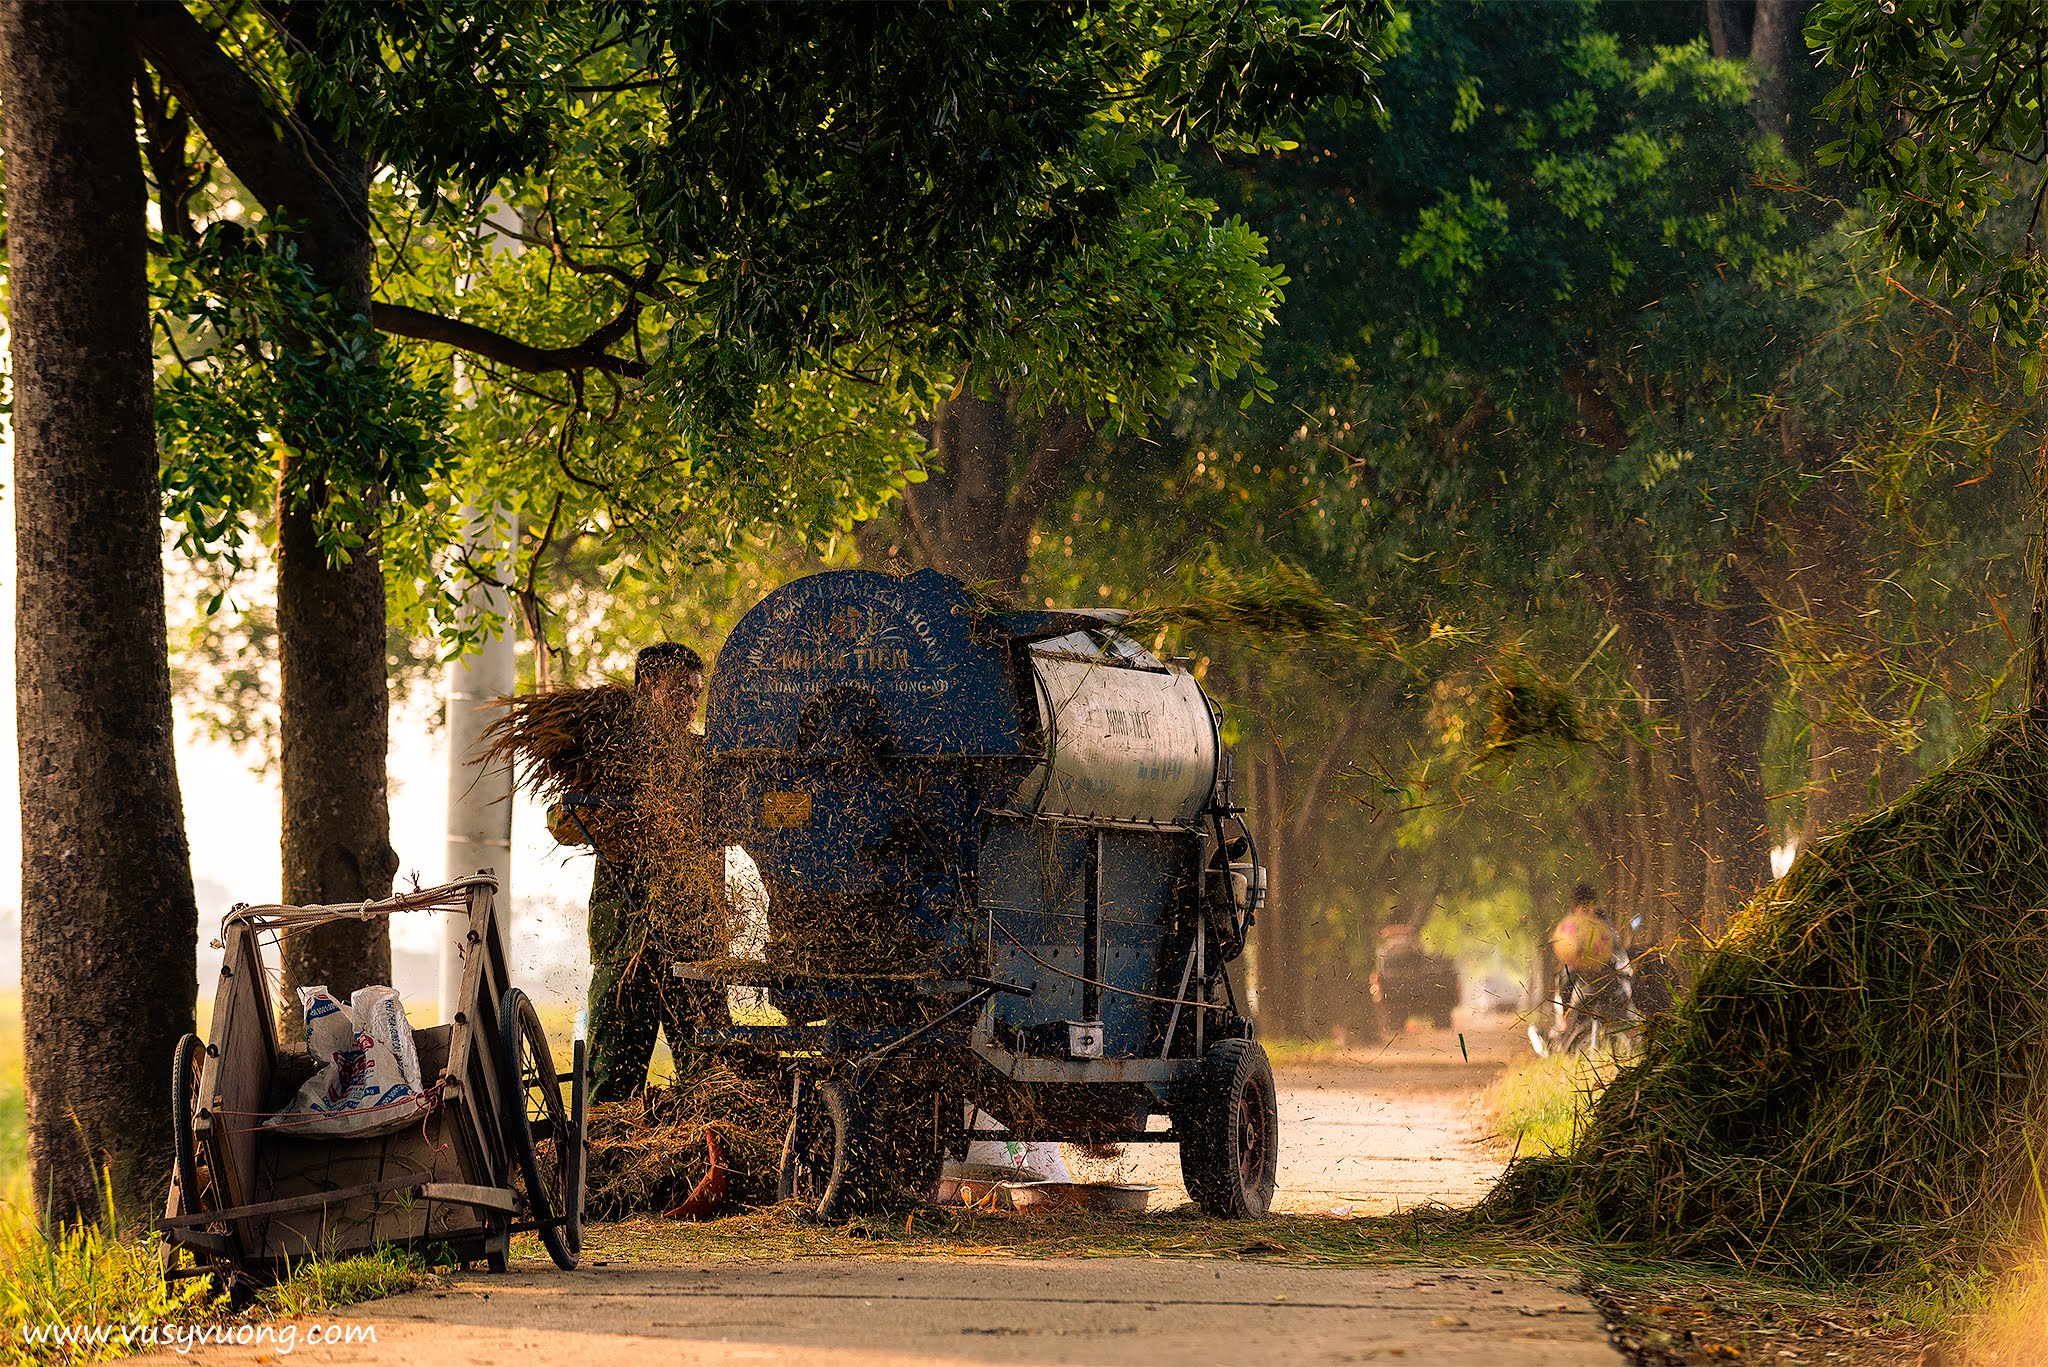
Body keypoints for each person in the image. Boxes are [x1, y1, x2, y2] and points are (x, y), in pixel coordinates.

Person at [548, 642, 719, 1101]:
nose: (688, 703)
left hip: (695, 944)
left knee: (713, 1083)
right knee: (609, 1090)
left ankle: (712, 1163)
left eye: (695, 694)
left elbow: (741, 818)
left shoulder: (708, 759)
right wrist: (620, 821)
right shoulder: (615, 754)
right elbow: (561, 821)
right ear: (647, 687)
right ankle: (601, 1167)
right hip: (626, 945)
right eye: (678, 691)